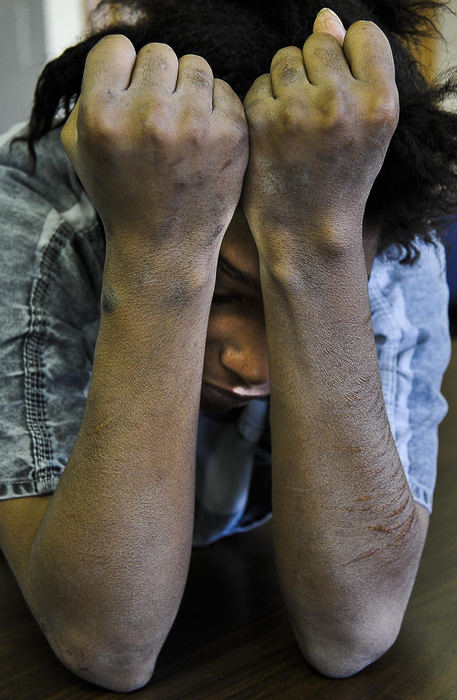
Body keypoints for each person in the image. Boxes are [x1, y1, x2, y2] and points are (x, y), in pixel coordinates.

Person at [0, 0, 456, 692]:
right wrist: (160, 248)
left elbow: (353, 629)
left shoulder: (375, 220)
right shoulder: (35, 205)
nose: (251, 365)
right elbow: (106, 641)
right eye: (227, 293)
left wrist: (316, 252)